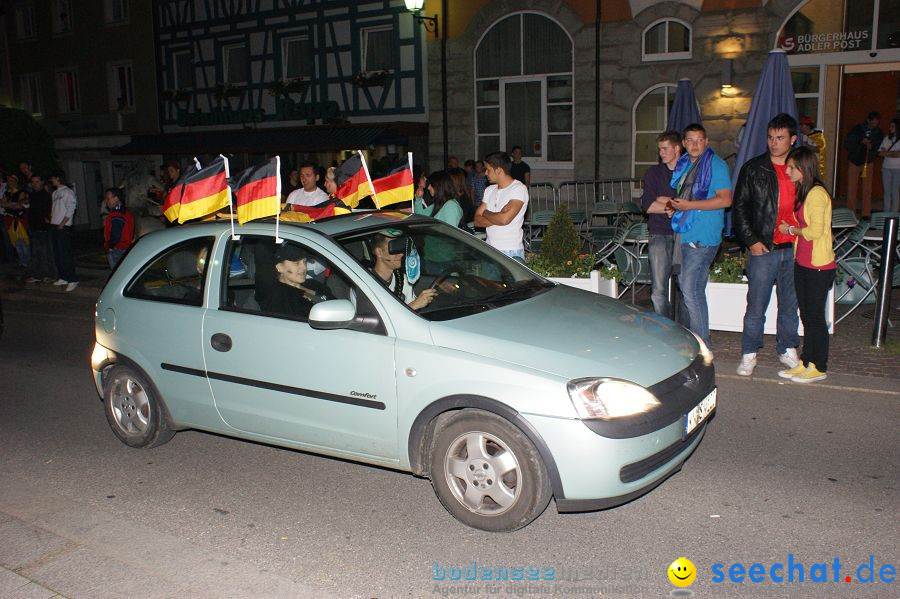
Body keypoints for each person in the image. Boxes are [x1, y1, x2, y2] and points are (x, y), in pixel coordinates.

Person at [732, 113, 802, 376]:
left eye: (780, 138)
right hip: (764, 248)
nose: (774, 143)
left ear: (793, 139)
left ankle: (787, 348)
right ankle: (749, 353)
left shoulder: (801, 168)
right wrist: (751, 241)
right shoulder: (753, 168)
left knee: (789, 305)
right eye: (771, 137)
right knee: (756, 305)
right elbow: (739, 209)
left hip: (794, 248)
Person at [666, 123, 732, 350]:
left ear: (706, 142)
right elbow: (685, 200)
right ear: (684, 144)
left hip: (702, 238)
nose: (695, 144)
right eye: (690, 140)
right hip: (685, 235)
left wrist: (689, 205)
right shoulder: (685, 165)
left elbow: (725, 199)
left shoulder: (716, 165)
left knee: (690, 289)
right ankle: (690, 340)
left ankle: (703, 346)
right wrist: (675, 208)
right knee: (690, 290)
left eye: (699, 140)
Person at [776, 146, 835, 383]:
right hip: (804, 262)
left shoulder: (817, 194)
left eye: (792, 167)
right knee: (807, 317)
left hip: (818, 266)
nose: (788, 171)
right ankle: (806, 361)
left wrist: (789, 229)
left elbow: (815, 231)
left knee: (814, 318)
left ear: (804, 168)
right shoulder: (806, 191)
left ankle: (818, 366)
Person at [641, 131, 683, 319]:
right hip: (659, 233)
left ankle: (685, 330)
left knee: (685, 287)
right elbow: (648, 205)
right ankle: (666, 327)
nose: (661, 153)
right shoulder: (654, 173)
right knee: (658, 289)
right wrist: (673, 205)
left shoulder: (688, 171)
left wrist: (665, 200)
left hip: (684, 233)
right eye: (660, 149)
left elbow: (691, 202)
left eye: (665, 148)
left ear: (677, 148)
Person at [475, 151, 529, 260]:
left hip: (511, 251)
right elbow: (477, 221)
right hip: (489, 249)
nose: (485, 173)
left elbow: (504, 220)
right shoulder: (489, 190)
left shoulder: (518, 188)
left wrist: (485, 213)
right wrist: (499, 215)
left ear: (498, 170)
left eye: (488, 170)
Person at [370, 233, 436, 310]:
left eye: (400, 248)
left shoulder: (402, 278)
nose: (401, 254)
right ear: (379, 252)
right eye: (394, 248)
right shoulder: (365, 285)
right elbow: (375, 320)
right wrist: (414, 305)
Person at [259, 244, 326, 318]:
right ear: (280, 267)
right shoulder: (277, 299)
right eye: (296, 263)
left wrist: (310, 294)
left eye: (305, 261)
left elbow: (333, 305)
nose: (304, 267)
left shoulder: (313, 284)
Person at [844, 111, 883, 218]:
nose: (874, 125)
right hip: (855, 161)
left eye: (876, 123)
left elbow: (879, 147)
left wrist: (872, 147)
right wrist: (861, 141)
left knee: (867, 189)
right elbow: (848, 142)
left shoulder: (878, 132)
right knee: (852, 188)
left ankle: (866, 213)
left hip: (868, 162)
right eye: (873, 123)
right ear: (868, 120)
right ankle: (850, 213)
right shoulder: (858, 129)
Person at [49, 171, 79, 292]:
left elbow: (71, 208)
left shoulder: (67, 192)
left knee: (65, 254)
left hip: (63, 227)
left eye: (52, 178)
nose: (51, 180)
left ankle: (72, 279)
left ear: (58, 178)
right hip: (54, 226)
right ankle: (63, 276)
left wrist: (62, 223)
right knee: (57, 254)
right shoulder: (55, 193)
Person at [25, 174, 55, 283]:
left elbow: (48, 211)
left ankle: (48, 274)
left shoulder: (45, 195)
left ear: (42, 182)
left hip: (43, 228)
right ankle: (37, 274)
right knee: (36, 252)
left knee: (45, 253)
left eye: (37, 182)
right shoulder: (33, 195)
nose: (34, 184)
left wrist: (47, 220)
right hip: (35, 227)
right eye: (33, 182)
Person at [2, 174, 30, 268]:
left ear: (15, 181)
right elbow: (2, 204)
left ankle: (27, 260)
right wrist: (11, 204)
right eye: (8, 180)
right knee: (15, 241)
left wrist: (8, 204)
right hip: (9, 218)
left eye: (12, 180)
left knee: (22, 240)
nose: (10, 182)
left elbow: (20, 205)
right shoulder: (7, 192)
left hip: (19, 219)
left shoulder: (21, 192)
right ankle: (22, 260)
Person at [103, 187, 135, 268]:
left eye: (108, 198)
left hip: (118, 248)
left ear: (116, 198)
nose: (107, 201)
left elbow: (116, 234)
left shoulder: (116, 214)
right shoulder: (125, 211)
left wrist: (109, 246)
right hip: (125, 247)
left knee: (116, 275)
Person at [878, 118, 900, 213]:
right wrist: (892, 153)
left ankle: (894, 212)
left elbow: (898, 155)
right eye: (890, 126)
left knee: (895, 191)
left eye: (893, 126)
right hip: (886, 168)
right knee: (887, 191)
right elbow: (880, 153)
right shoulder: (887, 138)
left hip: (897, 168)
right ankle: (886, 212)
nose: (890, 128)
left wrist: (887, 153)